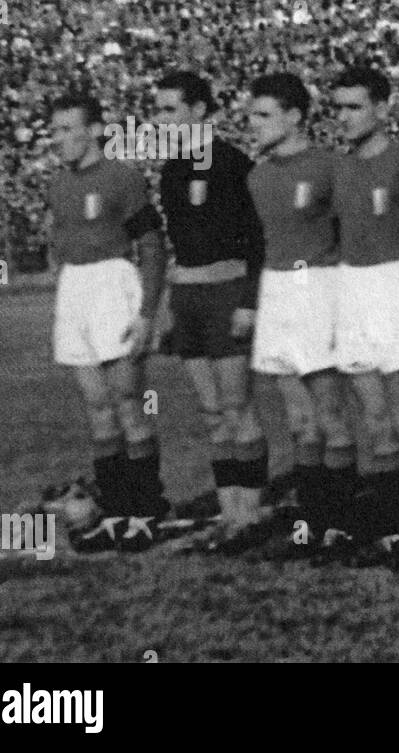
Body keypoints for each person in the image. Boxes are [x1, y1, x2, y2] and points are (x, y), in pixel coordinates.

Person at [323, 67, 399, 569]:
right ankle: (391, 528)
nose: (344, 117)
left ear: (382, 109)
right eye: (338, 108)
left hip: (397, 289)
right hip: (353, 289)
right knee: (373, 419)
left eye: (354, 107)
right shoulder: (338, 168)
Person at [47, 93, 170, 552]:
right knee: (97, 407)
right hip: (74, 290)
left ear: (95, 130)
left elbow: (153, 248)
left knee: (128, 402)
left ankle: (146, 510)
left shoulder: (123, 177)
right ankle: (115, 512)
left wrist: (146, 313)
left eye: (66, 129)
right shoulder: (58, 185)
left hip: (114, 285)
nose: (57, 139)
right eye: (54, 131)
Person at [153, 71, 269, 553]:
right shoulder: (171, 169)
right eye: (158, 110)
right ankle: (229, 512)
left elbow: (259, 239)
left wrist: (248, 301)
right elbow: (178, 244)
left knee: (237, 407)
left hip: (227, 291)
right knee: (211, 412)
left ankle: (252, 511)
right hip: (188, 296)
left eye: (169, 109)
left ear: (199, 110)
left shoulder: (232, 163)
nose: (161, 119)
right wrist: (168, 307)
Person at [245, 73, 357, 561]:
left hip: (319, 285)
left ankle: (342, 522)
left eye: (263, 114)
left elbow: (350, 233)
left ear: (294, 116)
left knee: (331, 412)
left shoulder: (331, 167)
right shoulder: (258, 175)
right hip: (277, 290)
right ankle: (310, 522)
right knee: (298, 416)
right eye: (251, 114)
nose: (253, 124)